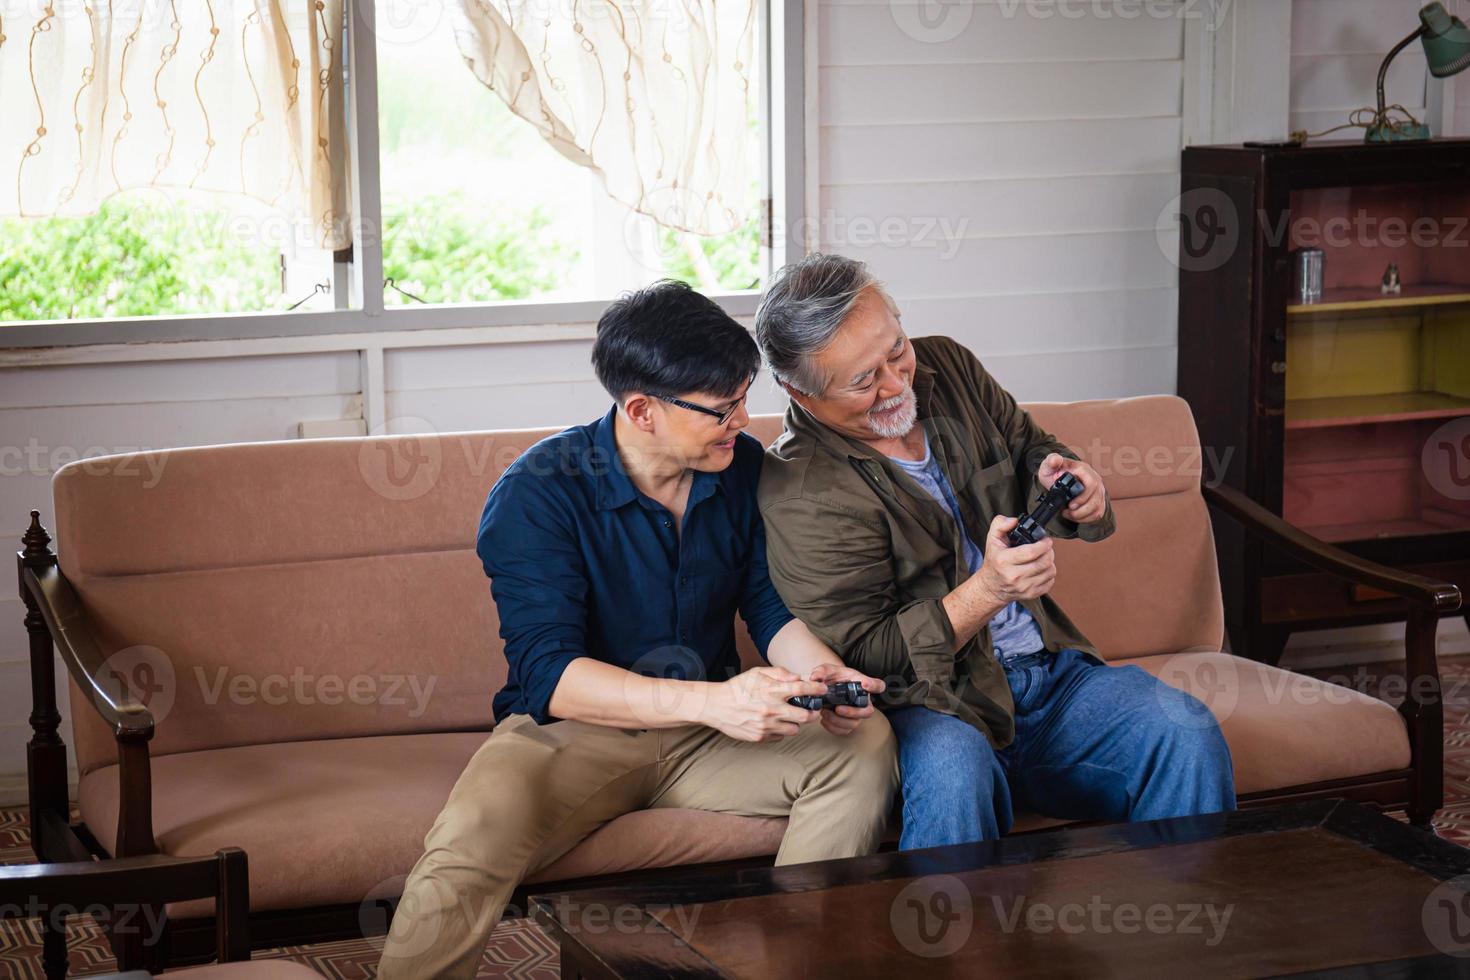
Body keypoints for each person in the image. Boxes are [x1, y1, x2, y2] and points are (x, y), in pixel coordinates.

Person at [378, 280, 898, 979]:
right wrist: (716, 703)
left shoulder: (741, 470)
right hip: (577, 734)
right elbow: (549, 675)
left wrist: (822, 673)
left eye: (746, 398)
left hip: (708, 736)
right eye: (722, 409)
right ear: (642, 410)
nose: (743, 421)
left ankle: (792, 961)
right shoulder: (539, 492)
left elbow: (766, 605)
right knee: (470, 836)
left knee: (863, 742)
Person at [753, 253, 1234, 851]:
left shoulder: (948, 366)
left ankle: (1180, 937)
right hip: (929, 708)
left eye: (896, 349)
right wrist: (988, 592)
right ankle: (954, 947)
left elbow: (1032, 447)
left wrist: (1068, 481)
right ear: (799, 390)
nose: (897, 383)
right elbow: (868, 657)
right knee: (953, 777)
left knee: (1183, 735)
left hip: (1049, 677)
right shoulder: (799, 489)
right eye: (863, 380)